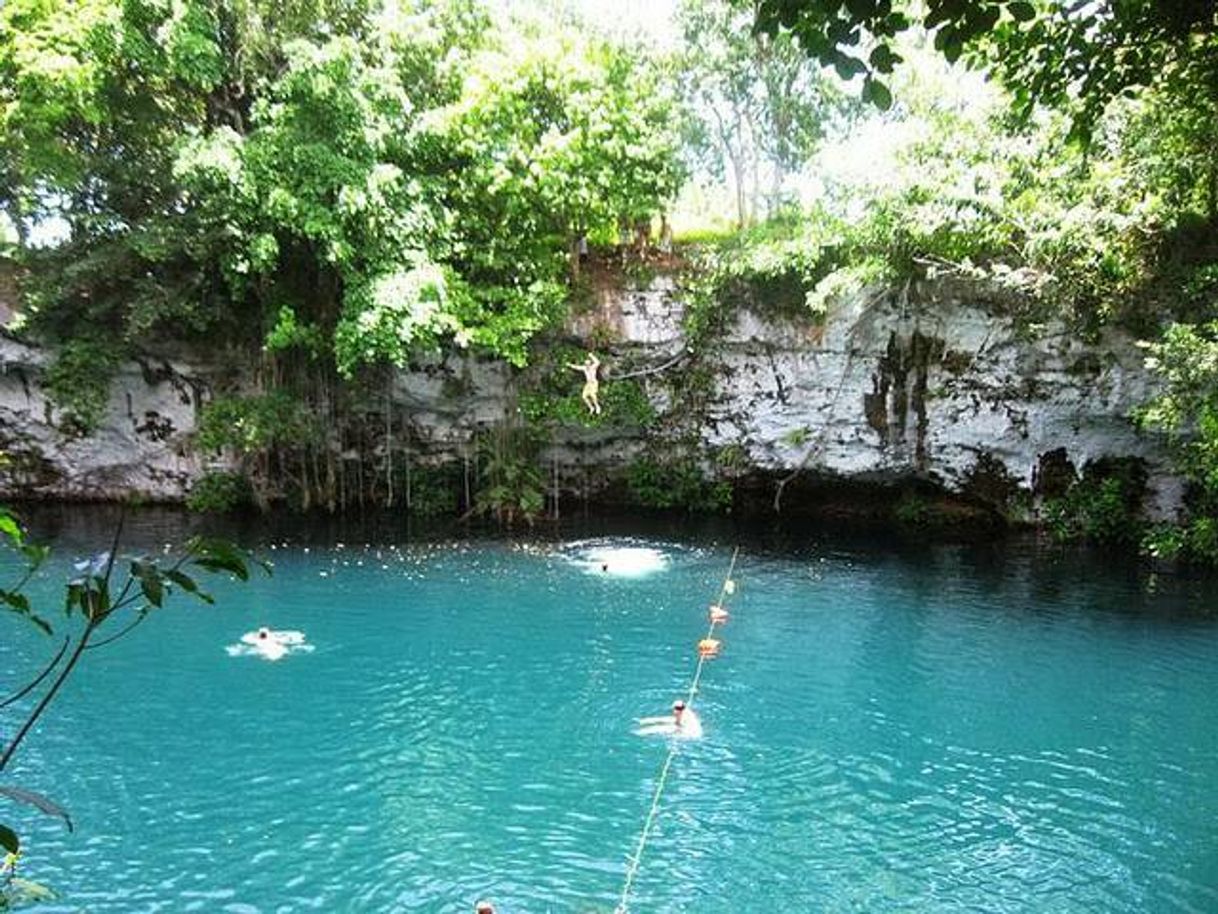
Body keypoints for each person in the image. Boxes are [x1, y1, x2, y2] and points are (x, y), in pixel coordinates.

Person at [637, 699, 703, 739]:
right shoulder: (685, 712)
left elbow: (681, 727)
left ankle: (643, 732)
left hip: (690, 734)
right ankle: (645, 721)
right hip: (690, 729)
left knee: (661, 729)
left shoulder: (683, 718)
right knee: (666, 720)